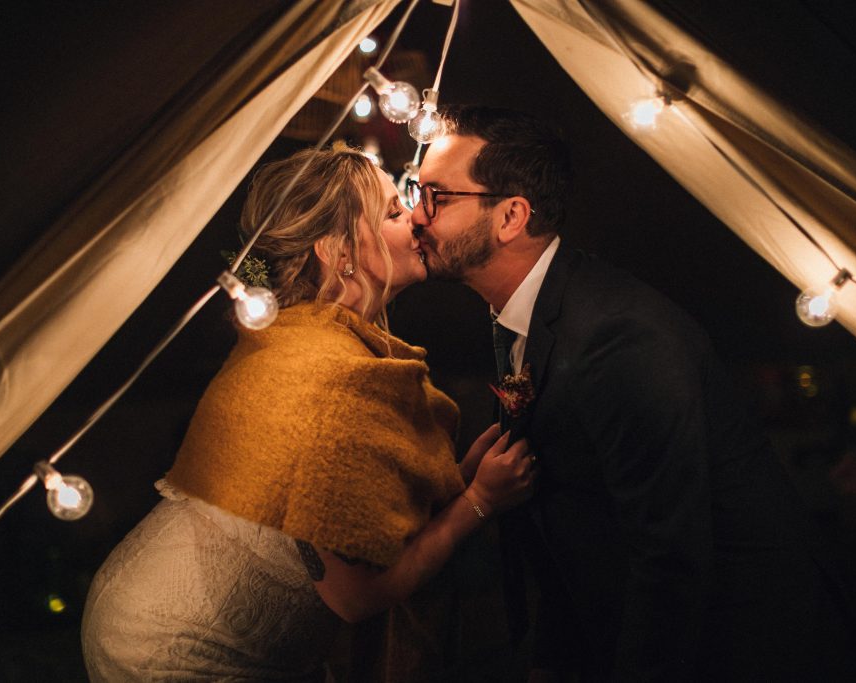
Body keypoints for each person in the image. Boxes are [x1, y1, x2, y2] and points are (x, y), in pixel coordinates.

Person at [410, 104, 856, 681]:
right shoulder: (529, 314)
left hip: (740, 648)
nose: (416, 215)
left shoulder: (617, 336)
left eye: (436, 196)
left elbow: (669, 554)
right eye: (416, 190)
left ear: (511, 216)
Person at [80, 143, 535, 681]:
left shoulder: (301, 337)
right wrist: (479, 502)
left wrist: (459, 482)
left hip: (149, 608)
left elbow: (352, 504)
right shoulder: (327, 375)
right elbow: (356, 596)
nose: (416, 218)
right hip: (182, 650)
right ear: (337, 250)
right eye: (392, 212)